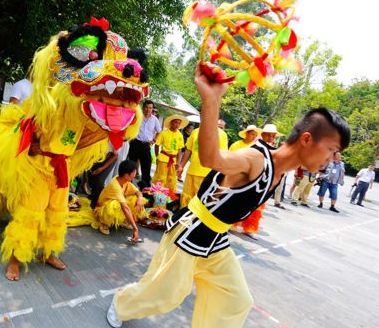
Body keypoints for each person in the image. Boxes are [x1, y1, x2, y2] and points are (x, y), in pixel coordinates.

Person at [106, 64, 350, 328]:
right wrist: (212, 100)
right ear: (306, 139)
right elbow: (212, 158)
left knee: (235, 299)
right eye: (331, 149)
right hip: (190, 231)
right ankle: (120, 304)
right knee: (165, 296)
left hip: (215, 240)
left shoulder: (278, 174)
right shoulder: (256, 159)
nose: (332, 159)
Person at [177, 125, 228, 207]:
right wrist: (181, 166)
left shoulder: (222, 134)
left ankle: (194, 219)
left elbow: (222, 155)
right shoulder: (195, 132)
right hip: (192, 171)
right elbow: (188, 151)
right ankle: (183, 217)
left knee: (199, 200)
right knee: (186, 196)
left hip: (207, 174)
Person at [94, 160, 145, 241]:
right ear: (126, 175)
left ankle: (125, 220)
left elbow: (138, 192)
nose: (135, 174)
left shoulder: (124, 181)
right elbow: (125, 207)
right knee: (115, 205)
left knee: (135, 198)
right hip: (102, 210)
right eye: (134, 172)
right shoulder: (115, 185)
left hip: (115, 204)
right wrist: (135, 228)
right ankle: (103, 222)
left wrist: (139, 199)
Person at [127, 100, 162, 188]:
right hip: (135, 143)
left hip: (146, 145)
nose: (148, 110)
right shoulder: (137, 116)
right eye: (146, 107)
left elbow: (159, 131)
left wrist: (154, 140)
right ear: (143, 108)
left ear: (152, 109)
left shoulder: (155, 119)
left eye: (150, 108)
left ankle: (145, 189)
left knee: (146, 167)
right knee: (131, 166)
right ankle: (128, 186)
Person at [152, 115, 187, 192]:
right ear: (171, 123)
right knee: (160, 177)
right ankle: (157, 194)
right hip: (163, 158)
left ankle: (169, 195)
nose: (177, 124)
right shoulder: (164, 133)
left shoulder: (180, 135)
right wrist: (157, 156)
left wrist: (178, 162)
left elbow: (179, 150)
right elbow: (157, 145)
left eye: (178, 123)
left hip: (173, 160)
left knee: (172, 178)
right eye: (175, 122)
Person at [261, 124, 287, 209]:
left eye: (273, 135)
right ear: (262, 134)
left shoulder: (274, 149)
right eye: (268, 135)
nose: (271, 137)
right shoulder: (258, 146)